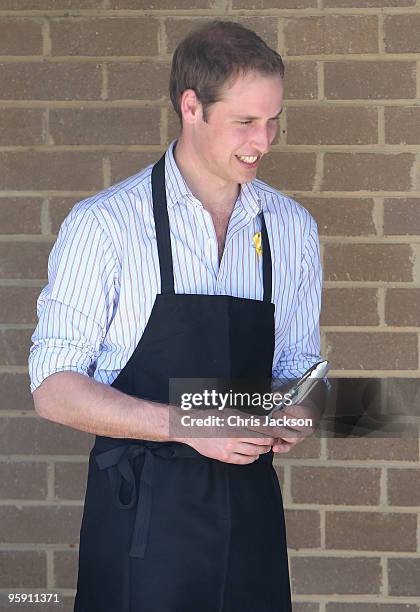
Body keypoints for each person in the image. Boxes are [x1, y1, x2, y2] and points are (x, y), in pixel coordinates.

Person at [29, 20, 325, 612]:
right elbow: (53, 390)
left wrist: (297, 410)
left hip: (252, 523)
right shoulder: (106, 226)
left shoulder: (292, 229)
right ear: (192, 107)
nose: (263, 141)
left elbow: (304, 369)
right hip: (141, 528)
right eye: (245, 122)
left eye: (273, 121)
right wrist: (190, 424)